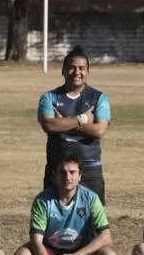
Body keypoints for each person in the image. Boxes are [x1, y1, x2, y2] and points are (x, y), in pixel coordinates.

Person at [12, 155, 120, 255]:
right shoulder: (42, 201)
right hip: (50, 251)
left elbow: (106, 236)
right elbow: (36, 240)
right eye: (62, 172)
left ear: (80, 176)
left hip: (80, 253)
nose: (67, 177)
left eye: (72, 172)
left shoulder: (91, 199)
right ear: (55, 175)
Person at [37, 46, 112, 203]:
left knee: (92, 222)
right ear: (63, 71)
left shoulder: (99, 98)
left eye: (81, 68)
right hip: (58, 169)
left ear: (88, 72)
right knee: (53, 217)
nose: (77, 72)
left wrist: (64, 121)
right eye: (71, 67)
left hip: (90, 169)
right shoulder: (49, 97)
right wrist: (83, 119)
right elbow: (49, 126)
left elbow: (99, 130)